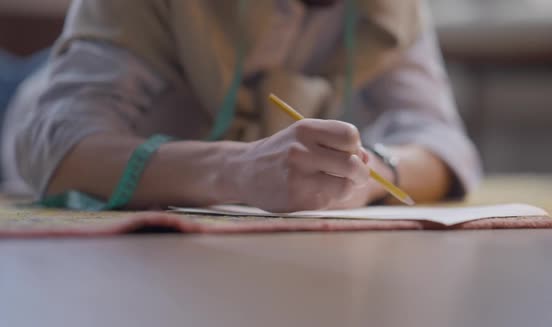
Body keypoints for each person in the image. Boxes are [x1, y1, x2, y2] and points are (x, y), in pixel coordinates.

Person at [1, 0, 481, 212]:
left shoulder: (387, 10)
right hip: (22, 106)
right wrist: (237, 171)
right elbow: (59, 147)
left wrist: (372, 171)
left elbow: (444, 141)